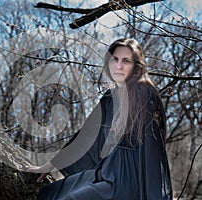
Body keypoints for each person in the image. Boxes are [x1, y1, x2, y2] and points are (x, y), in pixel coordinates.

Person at [26, 38, 173, 199]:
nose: (119, 66)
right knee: (50, 192)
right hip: (105, 171)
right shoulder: (110, 97)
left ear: (136, 66)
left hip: (129, 181)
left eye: (126, 61)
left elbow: (153, 153)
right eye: (114, 59)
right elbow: (86, 137)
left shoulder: (145, 96)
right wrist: (49, 165)